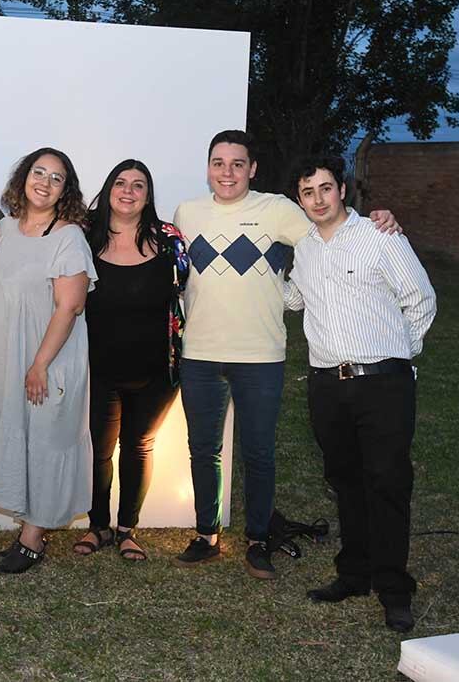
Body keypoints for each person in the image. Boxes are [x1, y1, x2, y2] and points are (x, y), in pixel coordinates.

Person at [172, 130, 399, 580]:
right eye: (219, 163)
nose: (228, 172)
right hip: (199, 353)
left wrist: (377, 220)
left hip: (261, 355)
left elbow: (328, 233)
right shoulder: (187, 213)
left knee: (258, 453)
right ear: (208, 168)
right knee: (203, 449)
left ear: (253, 169)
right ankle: (206, 535)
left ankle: (258, 539)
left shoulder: (277, 209)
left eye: (238, 163)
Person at [284, 155, 435, 632]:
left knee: (388, 482)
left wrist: (396, 357)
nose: (318, 199)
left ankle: (393, 588)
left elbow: (421, 298)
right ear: (300, 199)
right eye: (308, 192)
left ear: (342, 190)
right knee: (345, 480)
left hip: (383, 382)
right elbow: (295, 298)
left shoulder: (379, 236)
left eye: (325, 188)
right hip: (327, 385)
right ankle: (354, 573)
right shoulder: (304, 249)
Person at [0, 147, 97, 574]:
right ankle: (26, 527)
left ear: (66, 191)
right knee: (23, 438)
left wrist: (40, 363)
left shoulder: (69, 238)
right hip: (10, 358)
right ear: (23, 178)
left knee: (45, 441)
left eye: (56, 177)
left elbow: (69, 307)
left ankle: (33, 539)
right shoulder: (6, 228)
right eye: (38, 172)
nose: (44, 181)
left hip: (49, 359)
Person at [74, 160, 189, 562]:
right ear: (108, 189)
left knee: (139, 447)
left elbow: (187, 295)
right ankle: (97, 526)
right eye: (121, 183)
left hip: (157, 371)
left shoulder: (170, 240)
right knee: (100, 450)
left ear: (148, 195)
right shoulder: (83, 238)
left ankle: (127, 529)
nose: (128, 191)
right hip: (99, 369)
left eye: (138, 185)